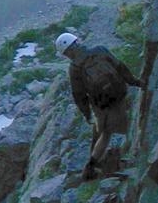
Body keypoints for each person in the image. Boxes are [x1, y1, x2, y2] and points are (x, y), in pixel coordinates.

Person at [55, 32, 146, 181]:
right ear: (77, 41)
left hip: (100, 105)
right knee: (118, 132)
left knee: (106, 133)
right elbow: (120, 67)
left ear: (67, 53)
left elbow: (79, 95)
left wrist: (87, 114)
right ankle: (107, 165)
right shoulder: (100, 50)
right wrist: (135, 82)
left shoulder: (75, 68)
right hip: (118, 95)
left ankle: (95, 167)